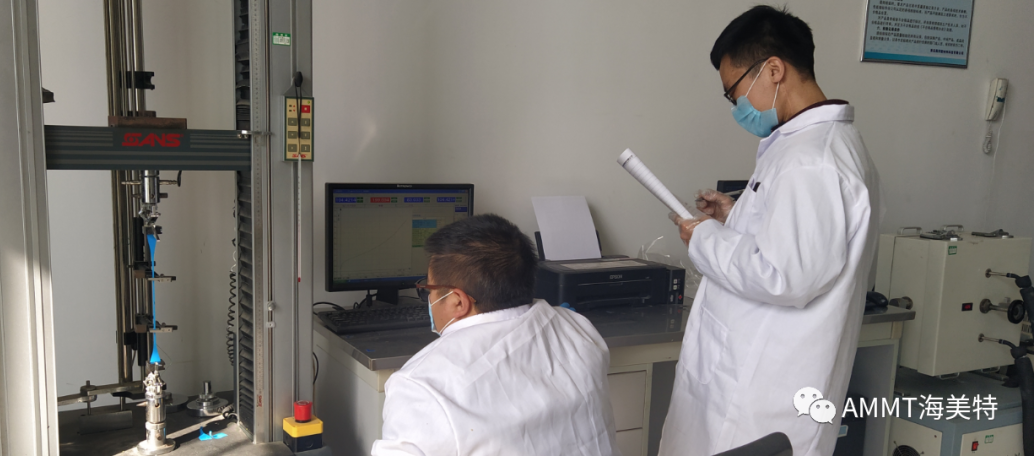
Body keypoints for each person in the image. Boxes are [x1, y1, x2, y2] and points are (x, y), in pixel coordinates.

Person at [658, 6, 881, 456]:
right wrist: (738, 215)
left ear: (774, 70)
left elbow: (785, 276)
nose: (737, 107)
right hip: (750, 381)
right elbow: (796, 240)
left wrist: (703, 238)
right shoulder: (809, 147)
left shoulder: (811, 160)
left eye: (734, 92)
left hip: (758, 396)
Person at [371, 214, 621, 456]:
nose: (429, 298)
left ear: (458, 301)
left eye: (429, 289)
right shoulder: (577, 327)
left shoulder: (421, 387)